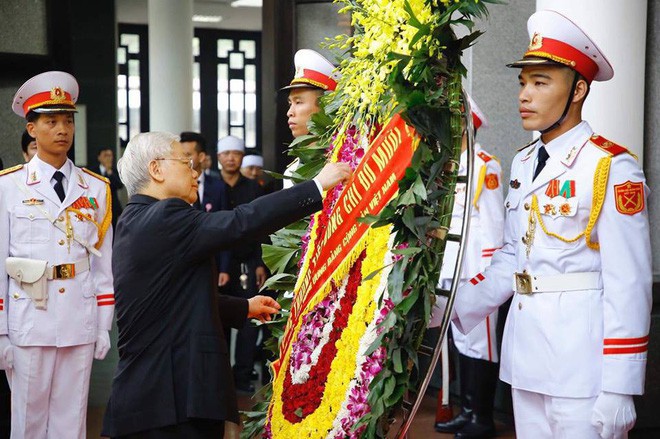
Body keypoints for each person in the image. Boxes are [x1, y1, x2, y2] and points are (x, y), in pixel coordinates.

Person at [444, 10, 651, 438]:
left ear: (577, 90)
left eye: (541, 82)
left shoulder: (610, 167)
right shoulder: (523, 161)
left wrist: (620, 387)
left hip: (584, 368)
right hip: (527, 358)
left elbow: (629, 281)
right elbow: (511, 258)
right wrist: (446, 305)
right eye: (523, 82)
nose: (525, 94)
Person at [101, 131, 351, 438]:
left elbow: (172, 298)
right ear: (156, 169)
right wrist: (316, 186)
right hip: (172, 399)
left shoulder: (133, 219)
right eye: (185, 162)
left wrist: (243, 306)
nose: (196, 172)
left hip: (149, 399)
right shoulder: (165, 216)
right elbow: (240, 222)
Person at [0, 71, 114, 438]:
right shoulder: (9, 186)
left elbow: (102, 264)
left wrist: (102, 324)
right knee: (28, 421)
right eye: (51, 121)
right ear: (31, 129)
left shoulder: (95, 188)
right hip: (28, 318)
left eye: (67, 120)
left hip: (78, 318)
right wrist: (1, 334)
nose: (62, 129)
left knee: (71, 420)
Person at [431, 96, 504, 439]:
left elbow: (493, 226)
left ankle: (482, 418)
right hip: (452, 268)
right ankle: (468, 409)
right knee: (461, 342)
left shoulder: (485, 166)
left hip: (477, 269)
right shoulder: (449, 166)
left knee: (480, 345)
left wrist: (487, 278)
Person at [216, 135, 268, 393]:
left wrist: (260, 262)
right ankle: (221, 376)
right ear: (218, 157)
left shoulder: (252, 187)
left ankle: (243, 375)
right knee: (218, 320)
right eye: (226, 154)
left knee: (250, 320)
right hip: (217, 265)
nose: (231, 158)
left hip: (247, 262)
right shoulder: (212, 187)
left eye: (236, 153)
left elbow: (260, 227)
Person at [281, 49, 340, 188]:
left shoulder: (351, 156)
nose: (290, 112)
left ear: (327, 106)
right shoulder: (293, 171)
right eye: (290, 103)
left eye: (299, 102)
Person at [180, 131, 231, 287]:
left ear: (201, 157)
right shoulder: (174, 187)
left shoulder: (219, 187)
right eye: (181, 155)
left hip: (213, 261)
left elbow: (226, 230)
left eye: (188, 154)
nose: (184, 160)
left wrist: (224, 268)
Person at [89, 147, 125, 230]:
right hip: (97, 206)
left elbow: (120, 185)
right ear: (99, 157)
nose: (108, 158)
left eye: (110, 155)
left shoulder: (115, 171)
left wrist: (109, 172)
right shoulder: (92, 171)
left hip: (113, 207)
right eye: (105, 155)